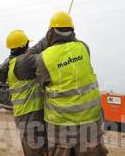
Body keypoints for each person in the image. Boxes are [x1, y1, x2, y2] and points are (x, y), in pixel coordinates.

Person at [36, 11, 108, 156]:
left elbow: (41, 84)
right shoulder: (84, 48)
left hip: (61, 128)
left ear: (50, 33)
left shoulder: (43, 58)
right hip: (91, 123)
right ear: (72, 31)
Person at [0, 30, 47, 156]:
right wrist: (51, 35)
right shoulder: (24, 62)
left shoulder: (12, 63)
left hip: (22, 114)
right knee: (36, 151)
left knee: (31, 149)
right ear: (24, 45)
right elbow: (45, 56)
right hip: (31, 114)